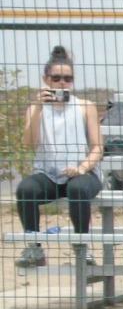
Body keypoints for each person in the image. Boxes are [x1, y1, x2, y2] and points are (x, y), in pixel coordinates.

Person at [14, 46, 104, 268]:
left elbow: (98, 148)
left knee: (77, 188)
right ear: (46, 80)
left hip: (82, 173)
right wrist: (37, 107)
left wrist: (82, 168)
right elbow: (28, 143)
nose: (62, 83)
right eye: (56, 78)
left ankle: (82, 248)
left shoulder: (85, 107)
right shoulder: (36, 109)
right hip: (49, 176)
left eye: (68, 79)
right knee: (26, 189)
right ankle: (33, 247)